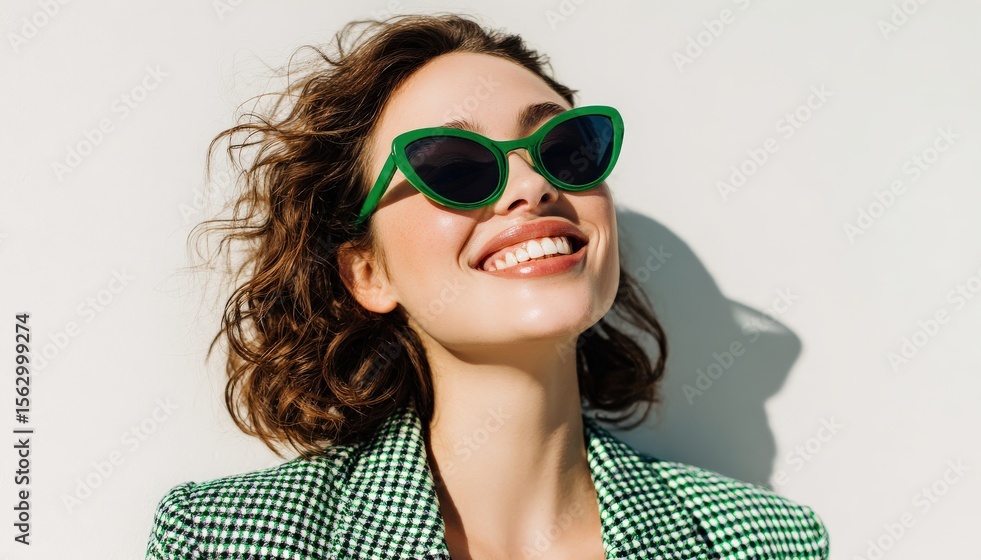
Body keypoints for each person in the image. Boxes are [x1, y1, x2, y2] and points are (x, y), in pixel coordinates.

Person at [146, 13, 829, 560]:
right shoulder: (221, 540)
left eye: (566, 149)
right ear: (368, 271)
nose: (534, 185)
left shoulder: (771, 543)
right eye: (455, 166)